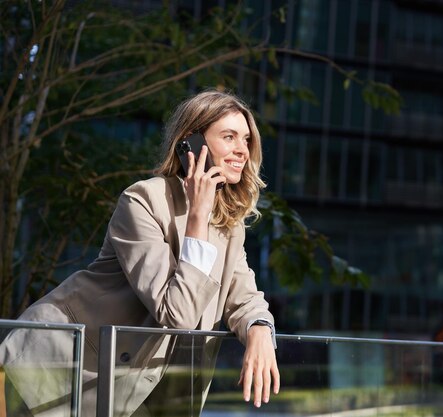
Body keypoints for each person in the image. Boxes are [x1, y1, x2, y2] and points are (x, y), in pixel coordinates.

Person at [0, 90, 279, 416]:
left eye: (246, 139)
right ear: (192, 143)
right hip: (52, 371)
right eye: (228, 136)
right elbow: (179, 315)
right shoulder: (143, 201)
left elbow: (244, 298)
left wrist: (260, 327)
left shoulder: (229, 226)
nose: (242, 150)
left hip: (133, 392)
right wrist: (198, 218)